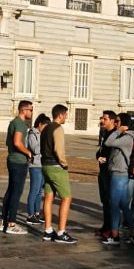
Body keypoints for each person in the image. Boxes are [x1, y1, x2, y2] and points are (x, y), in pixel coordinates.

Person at [40, 104, 77, 244]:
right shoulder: (58, 128)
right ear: (60, 115)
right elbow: (59, 149)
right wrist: (64, 163)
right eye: (66, 114)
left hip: (45, 165)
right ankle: (61, 232)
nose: (66, 117)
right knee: (66, 198)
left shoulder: (46, 128)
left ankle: (48, 230)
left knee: (48, 197)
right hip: (56, 166)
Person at [103, 113, 134, 245]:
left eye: (118, 121)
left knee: (114, 205)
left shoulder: (126, 137)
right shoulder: (123, 136)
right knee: (123, 205)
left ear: (124, 123)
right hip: (118, 173)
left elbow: (108, 142)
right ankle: (133, 233)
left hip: (119, 174)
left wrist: (118, 131)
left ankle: (115, 235)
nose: (115, 124)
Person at [1, 101, 33, 235]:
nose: (31, 112)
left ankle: (4, 221)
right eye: (30, 109)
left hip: (12, 159)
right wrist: (28, 152)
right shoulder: (19, 124)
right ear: (23, 110)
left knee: (11, 190)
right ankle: (11, 224)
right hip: (18, 161)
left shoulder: (14, 122)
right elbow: (17, 142)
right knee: (16, 192)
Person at [25, 113, 51, 224]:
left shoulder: (41, 134)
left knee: (40, 192)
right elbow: (35, 149)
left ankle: (37, 213)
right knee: (34, 191)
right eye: (45, 126)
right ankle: (30, 215)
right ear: (40, 124)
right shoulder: (32, 134)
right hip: (35, 166)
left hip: (42, 165)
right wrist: (44, 140)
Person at [95, 110, 117, 238]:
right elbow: (101, 150)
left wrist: (106, 159)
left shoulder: (115, 134)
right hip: (102, 170)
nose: (102, 121)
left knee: (110, 201)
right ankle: (106, 225)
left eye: (105, 119)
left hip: (110, 172)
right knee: (104, 200)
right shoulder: (105, 133)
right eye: (101, 118)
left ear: (112, 121)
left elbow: (115, 153)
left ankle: (112, 228)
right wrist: (98, 156)